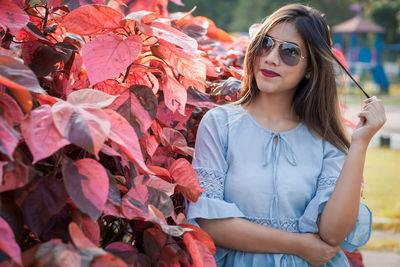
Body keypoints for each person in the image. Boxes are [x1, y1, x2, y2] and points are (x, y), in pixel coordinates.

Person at [185, 3, 386, 267]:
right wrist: (300, 245)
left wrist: (359, 144)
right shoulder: (220, 124)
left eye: (290, 52)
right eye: (265, 44)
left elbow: (333, 233)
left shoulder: (326, 137)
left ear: (311, 69)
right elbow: (209, 224)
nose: (270, 57)